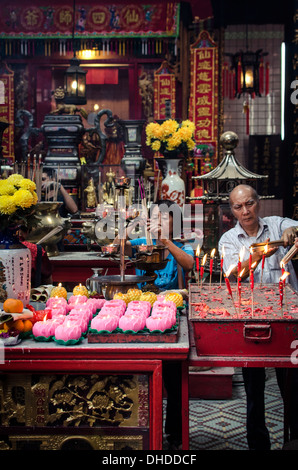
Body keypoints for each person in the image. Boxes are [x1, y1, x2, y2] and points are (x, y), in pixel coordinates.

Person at [218, 184, 298, 450]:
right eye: (238, 207)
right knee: (254, 387)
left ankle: (294, 439)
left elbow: (294, 227)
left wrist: (292, 231)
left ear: (258, 203)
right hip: (251, 317)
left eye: (249, 204)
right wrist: (257, 255)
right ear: (232, 210)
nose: (245, 211)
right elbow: (234, 273)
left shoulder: (276, 224)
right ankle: (258, 444)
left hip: (287, 317)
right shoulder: (229, 240)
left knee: (293, 384)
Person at [114, 199, 194, 449]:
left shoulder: (182, 247)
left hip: (171, 319)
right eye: (155, 216)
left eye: (166, 216)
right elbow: (118, 247)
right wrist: (133, 225)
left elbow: (189, 265)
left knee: (173, 380)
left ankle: (174, 434)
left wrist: (166, 241)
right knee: (138, 378)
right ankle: (139, 430)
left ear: (175, 222)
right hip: (139, 316)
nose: (160, 219)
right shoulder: (141, 245)